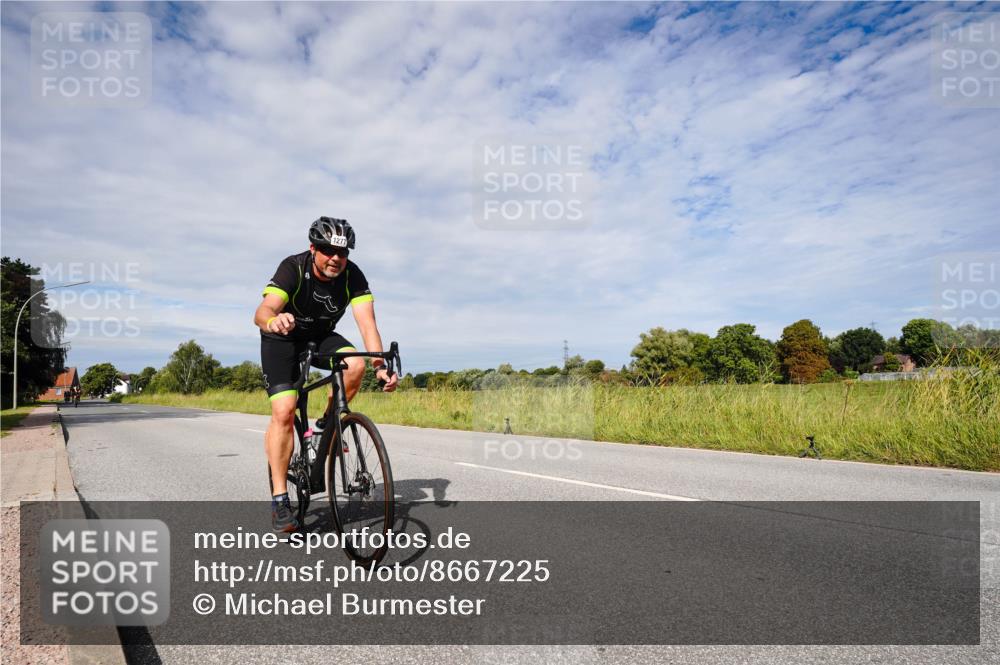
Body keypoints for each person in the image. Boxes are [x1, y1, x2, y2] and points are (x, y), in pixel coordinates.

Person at [254, 217, 398, 532]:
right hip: (283, 337)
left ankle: (324, 425)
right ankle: (280, 498)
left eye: (342, 253)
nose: (335, 258)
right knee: (284, 411)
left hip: (320, 336)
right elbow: (262, 312)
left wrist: (380, 367)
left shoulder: (353, 275)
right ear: (313, 248)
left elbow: (367, 326)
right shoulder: (293, 267)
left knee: (356, 364)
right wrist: (273, 321)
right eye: (327, 250)